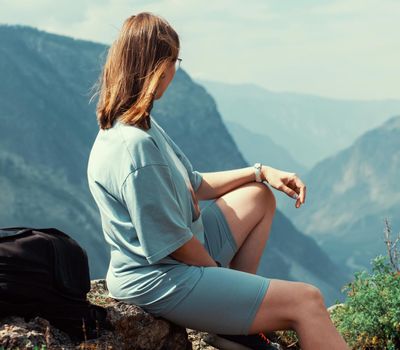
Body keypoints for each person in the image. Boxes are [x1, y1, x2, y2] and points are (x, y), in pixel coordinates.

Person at [87, 12, 349, 350]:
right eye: (174, 61)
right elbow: (174, 243)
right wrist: (220, 278)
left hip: (176, 256)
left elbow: (193, 183)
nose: (174, 72)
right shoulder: (135, 148)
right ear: (158, 68)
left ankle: (235, 331)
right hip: (161, 277)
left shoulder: (136, 126)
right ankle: (237, 324)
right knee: (307, 302)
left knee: (258, 196)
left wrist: (260, 172)